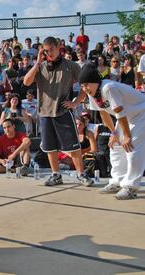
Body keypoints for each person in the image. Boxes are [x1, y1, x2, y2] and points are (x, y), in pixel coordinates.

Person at [23, 36, 94, 187]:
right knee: (50, 147)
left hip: (63, 111)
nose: (49, 53)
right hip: (44, 113)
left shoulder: (71, 65)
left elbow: (85, 85)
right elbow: (26, 82)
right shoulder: (40, 66)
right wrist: (37, 62)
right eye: (46, 51)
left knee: (73, 146)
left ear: (58, 47)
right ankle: (56, 175)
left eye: (51, 50)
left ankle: (81, 174)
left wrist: (76, 102)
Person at [78, 63, 145, 200]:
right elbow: (104, 114)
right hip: (126, 116)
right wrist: (114, 134)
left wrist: (126, 136)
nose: (85, 88)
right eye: (82, 86)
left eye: (87, 84)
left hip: (140, 113)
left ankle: (131, 187)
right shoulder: (92, 93)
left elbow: (120, 112)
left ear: (95, 81)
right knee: (114, 146)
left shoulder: (108, 88)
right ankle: (117, 181)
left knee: (131, 146)